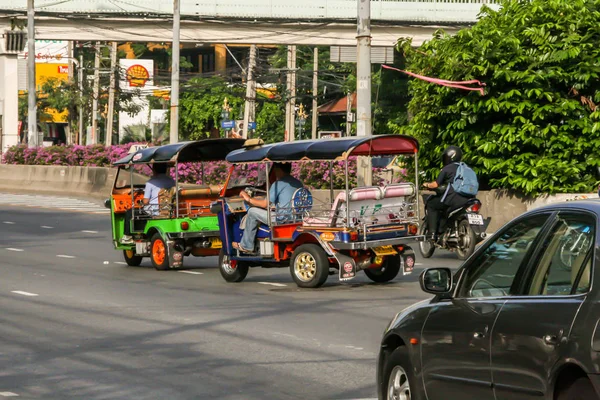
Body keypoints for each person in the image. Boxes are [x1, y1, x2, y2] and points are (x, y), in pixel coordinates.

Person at [233, 162, 303, 253]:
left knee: (252, 212)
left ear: (279, 170)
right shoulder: (298, 183)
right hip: (295, 217)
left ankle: (246, 245)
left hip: (281, 219)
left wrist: (248, 199)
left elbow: (264, 204)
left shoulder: (278, 184)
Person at [423, 146, 473, 242]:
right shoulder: (466, 168)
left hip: (452, 198)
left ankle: (432, 234)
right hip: (468, 199)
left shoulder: (447, 168)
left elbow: (435, 184)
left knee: (431, 205)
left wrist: (427, 184)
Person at [121, 163, 176, 244]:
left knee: (130, 212)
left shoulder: (151, 183)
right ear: (165, 170)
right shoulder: (172, 181)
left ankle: (127, 237)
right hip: (169, 209)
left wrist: (141, 202)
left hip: (154, 211)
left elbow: (146, 201)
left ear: (154, 171)